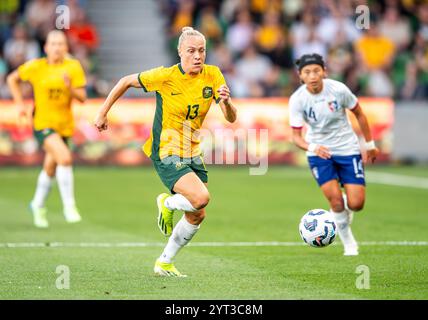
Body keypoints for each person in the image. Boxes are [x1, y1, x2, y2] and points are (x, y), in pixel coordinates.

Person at [94, 27, 237, 277]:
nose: (197, 56)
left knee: (197, 214)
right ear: (180, 51)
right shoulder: (165, 76)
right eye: (191, 51)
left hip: (192, 151)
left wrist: (226, 102)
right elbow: (125, 81)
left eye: (201, 50)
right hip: (166, 150)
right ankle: (167, 203)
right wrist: (102, 112)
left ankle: (164, 262)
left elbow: (231, 118)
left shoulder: (213, 75)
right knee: (201, 198)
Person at [289, 53, 379, 256]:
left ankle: (342, 209)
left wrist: (370, 144)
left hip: (347, 148)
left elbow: (359, 113)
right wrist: (312, 147)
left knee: (356, 204)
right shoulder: (297, 99)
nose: (312, 76)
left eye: (316, 71)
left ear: (324, 72)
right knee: (336, 202)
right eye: (307, 72)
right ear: (300, 76)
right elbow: (296, 137)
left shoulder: (338, 90)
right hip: (319, 153)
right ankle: (349, 243)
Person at [7, 30, 87, 228]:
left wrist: (69, 88)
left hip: (64, 126)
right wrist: (19, 104)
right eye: (53, 43)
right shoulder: (36, 67)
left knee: (50, 168)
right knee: (65, 158)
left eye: (61, 44)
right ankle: (69, 206)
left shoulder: (73, 67)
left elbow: (82, 97)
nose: (57, 47)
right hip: (42, 123)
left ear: (66, 47)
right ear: (46, 47)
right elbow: (12, 79)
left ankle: (37, 204)